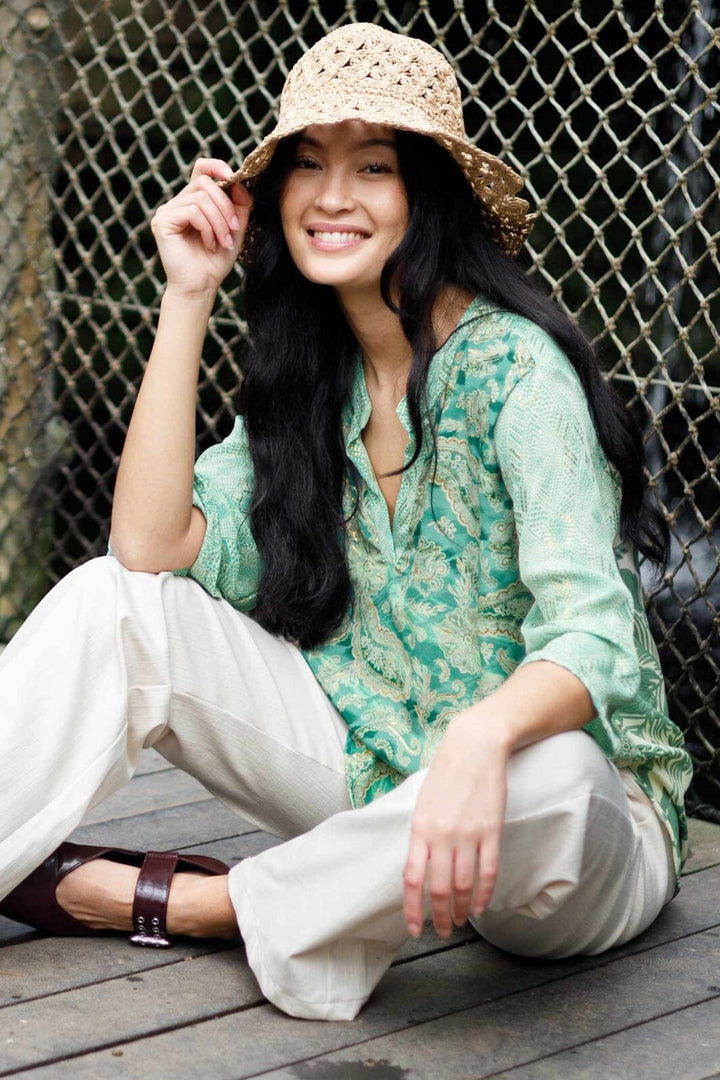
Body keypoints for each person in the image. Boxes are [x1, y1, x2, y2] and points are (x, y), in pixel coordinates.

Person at [0, 23, 692, 1021]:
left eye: (373, 166)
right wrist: (187, 297)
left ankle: (208, 906)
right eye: (308, 165)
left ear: (427, 196)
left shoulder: (518, 373)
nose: (332, 196)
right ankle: (322, 891)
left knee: (559, 768)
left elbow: (594, 641)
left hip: (557, 843)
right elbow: (149, 549)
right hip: (376, 774)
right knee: (114, 602)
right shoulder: (308, 382)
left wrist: (483, 736)